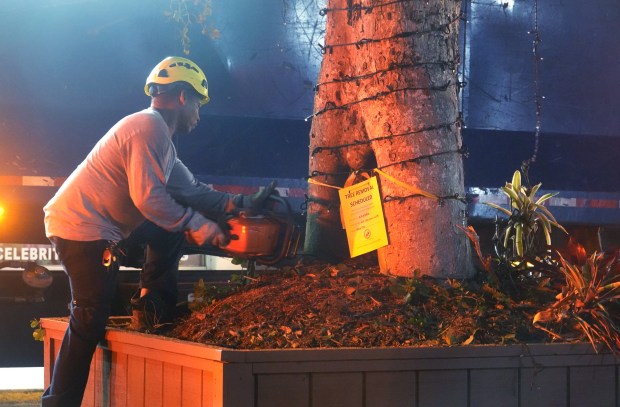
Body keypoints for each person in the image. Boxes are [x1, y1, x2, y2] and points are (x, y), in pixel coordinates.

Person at [41, 56, 275, 407]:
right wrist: (197, 225)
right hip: (81, 229)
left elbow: (192, 190)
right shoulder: (147, 128)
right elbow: (149, 199)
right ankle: (57, 403)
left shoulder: (159, 138)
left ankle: (153, 305)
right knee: (90, 315)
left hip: (102, 230)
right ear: (183, 97)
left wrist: (239, 205)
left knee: (170, 230)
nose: (199, 113)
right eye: (198, 103)